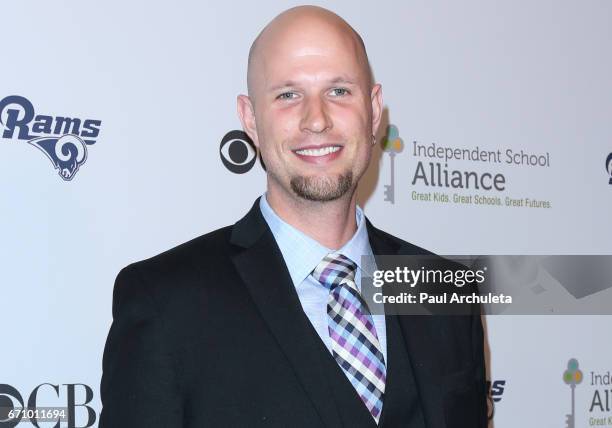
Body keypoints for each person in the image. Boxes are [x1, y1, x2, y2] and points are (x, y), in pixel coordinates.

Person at [100, 5, 487, 427]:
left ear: (374, 111)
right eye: (288, 95)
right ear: (250, 119)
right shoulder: (165, 302)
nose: (316, 120)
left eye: (339, 91)